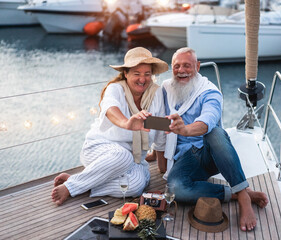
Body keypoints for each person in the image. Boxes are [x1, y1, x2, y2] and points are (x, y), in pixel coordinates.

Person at [162, 47, 269, 231]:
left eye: (187, 65)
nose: (181, 70)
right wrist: (158, 157)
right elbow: (161, 127)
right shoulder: (166, 90)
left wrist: (185, 130)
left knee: (215, 132)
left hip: (207, 153)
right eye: (176, 66)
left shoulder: (211, 93)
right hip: (184, 160)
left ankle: (243, 195)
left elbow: (206, 123)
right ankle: (235, 194)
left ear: (198, 66)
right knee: (174, 190)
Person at [51, 47, 168, 206]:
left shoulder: (157, 93)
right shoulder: (116, 89)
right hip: (101, 149)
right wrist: (127, 123)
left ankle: (79, 182)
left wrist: (163, 166)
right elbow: (110, 109)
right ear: (126, 73)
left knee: (136, 186)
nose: (143, 79)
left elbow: (159, 126)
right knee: (123, 157)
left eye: (147, 74)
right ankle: (71, 187)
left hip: (135, 158)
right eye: (137, 73)